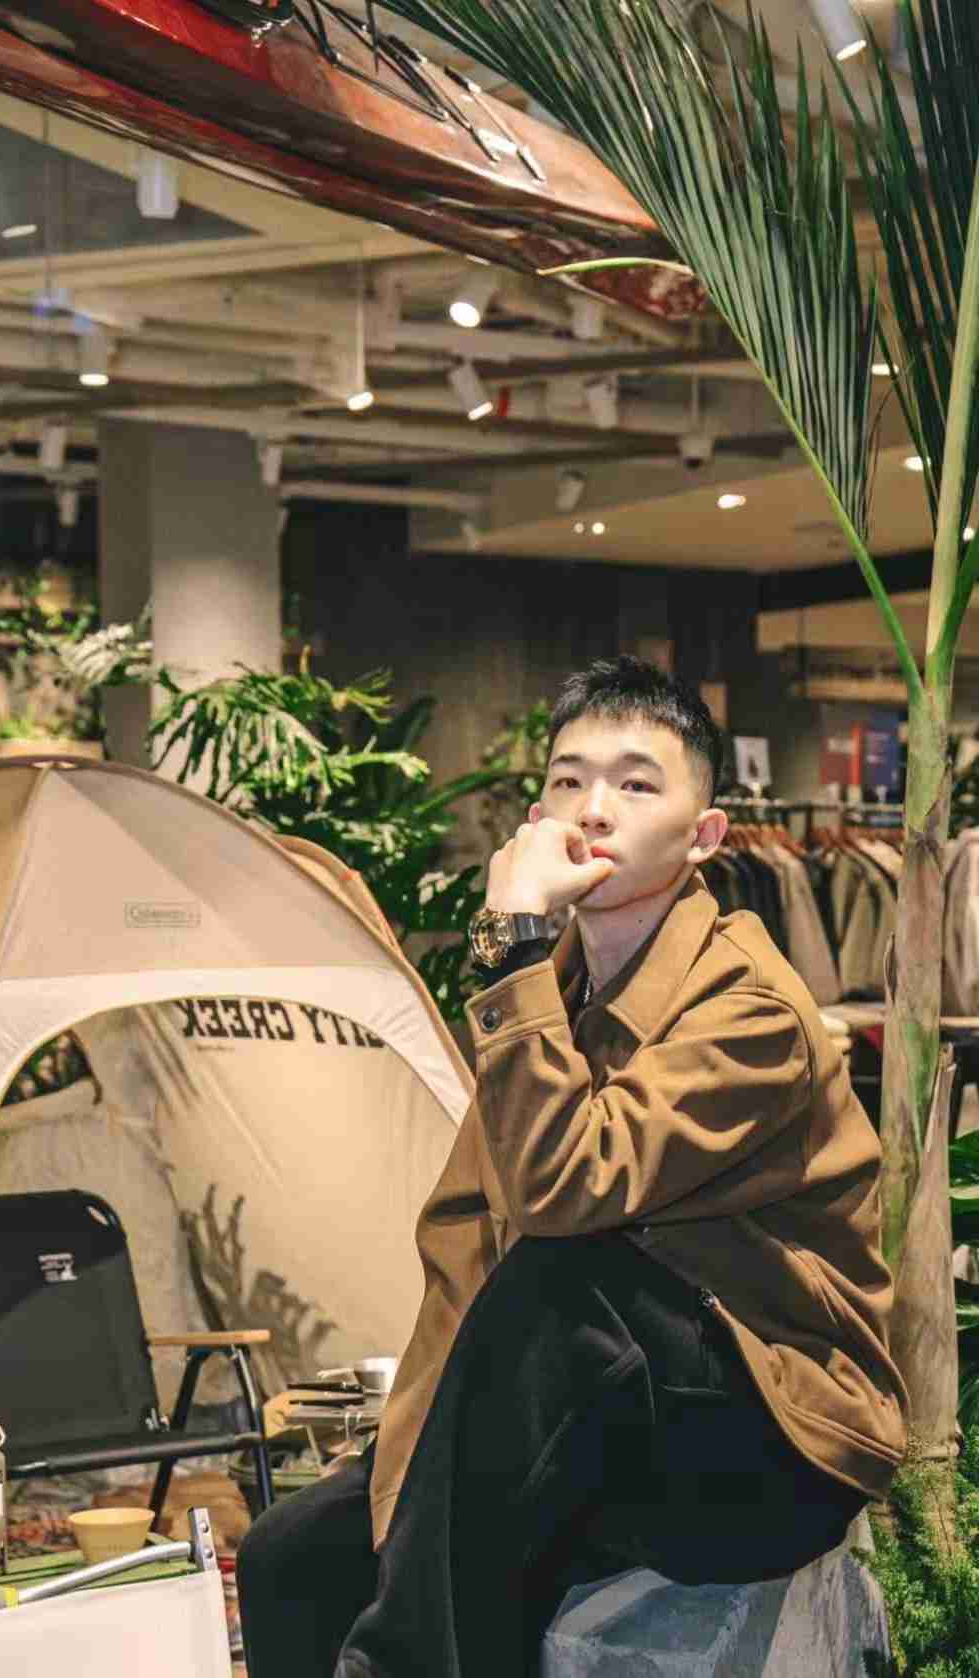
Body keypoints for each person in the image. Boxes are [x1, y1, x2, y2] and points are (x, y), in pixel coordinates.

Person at [236, 655, 907, 1678]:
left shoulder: (751, 1009)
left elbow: (561, 1194)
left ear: (705, 835)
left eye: (637, 783)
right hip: (605, 1399)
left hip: (777, 1441)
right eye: (568, 780)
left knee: (560, 1277)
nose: (595, 808)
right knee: (289, 1556)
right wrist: (405, 1469)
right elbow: (466, 1234)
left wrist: (510, 944)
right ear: (536, 815)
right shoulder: (558, 992)